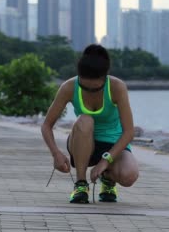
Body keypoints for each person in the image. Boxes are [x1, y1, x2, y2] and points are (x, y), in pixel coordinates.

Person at [41, 44, 139, 204]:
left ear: (105, 78)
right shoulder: (69, 87)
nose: (90, 92)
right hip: (82, 141)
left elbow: (129, 132)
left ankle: (108, 179)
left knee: (129, 176)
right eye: (85, 87)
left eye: (95, 89)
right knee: (85, 120)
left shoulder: (117, 87)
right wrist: (55, 154)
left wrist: (105, 161)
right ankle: (80, 185)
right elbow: (46, 125)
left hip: (113, 144)